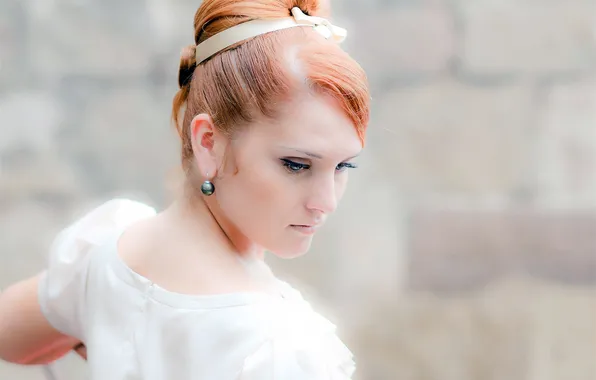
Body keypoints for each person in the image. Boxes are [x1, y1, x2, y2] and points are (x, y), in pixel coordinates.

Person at [0, 0, 370, 378]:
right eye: (296, 165)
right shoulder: (277, 348)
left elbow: (9, 336)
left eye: (343, 166)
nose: (326, 202)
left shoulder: (106, 247)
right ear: (208, 142)